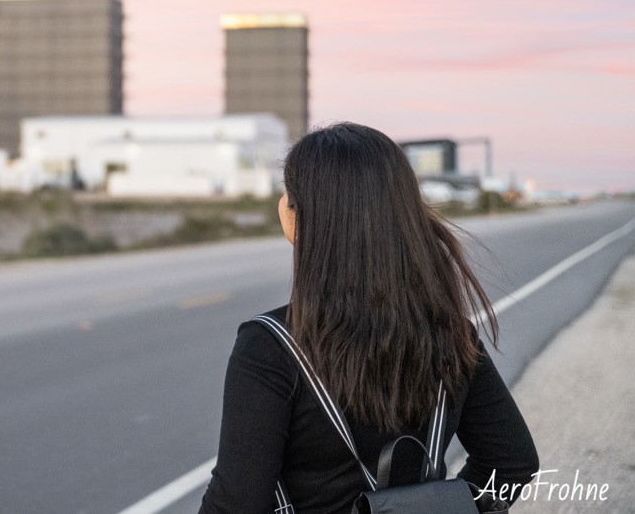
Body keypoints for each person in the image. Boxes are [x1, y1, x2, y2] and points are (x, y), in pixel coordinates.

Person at [198, 122, 538, 513]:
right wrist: (445, 507)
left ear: (300, 217)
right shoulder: (450, 332)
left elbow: (236, 504)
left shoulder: (271, 345)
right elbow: (512, 464)